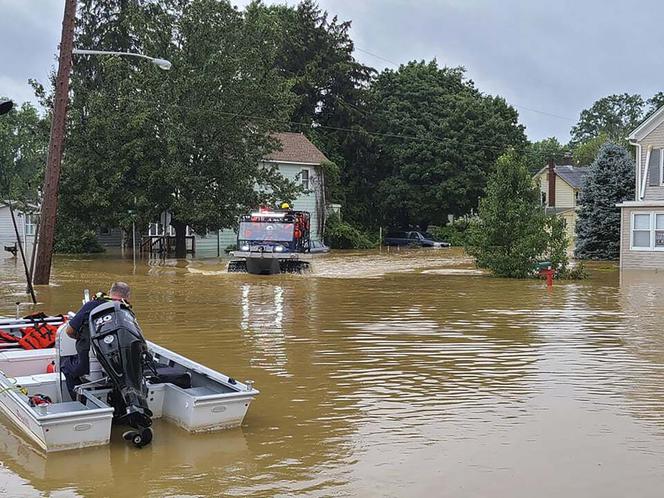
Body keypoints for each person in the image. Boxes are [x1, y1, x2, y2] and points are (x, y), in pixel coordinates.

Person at [61, 282, 132, 397]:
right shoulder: (126, 311)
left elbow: (69, 331)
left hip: (89, 364)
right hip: (122, 365)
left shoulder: (92, 305)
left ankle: (79, 401)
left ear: (110, 292)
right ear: (128, 296)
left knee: (65, 365)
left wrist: (81, 337)